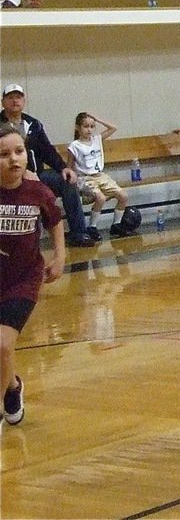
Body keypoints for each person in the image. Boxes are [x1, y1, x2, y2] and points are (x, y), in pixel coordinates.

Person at [0, 122, 65, 427]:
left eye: (19, 151)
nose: (13, 159)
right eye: (4, 154)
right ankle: (12, 386)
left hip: (24, 279)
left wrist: (60, 255)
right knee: (2, 350)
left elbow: (54, 221)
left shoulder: (37, 191)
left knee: (1, 344)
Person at [1, 83, 93, 247]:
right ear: (3, 102)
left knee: (67, 182)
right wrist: (23, 174)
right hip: (9, 179)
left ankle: (79, 233)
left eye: (18, 97)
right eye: (10, 97)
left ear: (23, 101)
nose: (15, 101)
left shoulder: (33, 124)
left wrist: (64, 167)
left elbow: (47, 150)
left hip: (39, 175)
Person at [67, 113, 137, 238]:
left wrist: (97, 118)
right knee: (101, 198)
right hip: (85, 177)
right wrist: (72, 182)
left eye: (92, 126)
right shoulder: (74, 146)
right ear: (78, 128)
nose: (89, 129)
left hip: (100, 175)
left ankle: (116, 225)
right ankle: (92, 227)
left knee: (123, 195)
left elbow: (113, 128)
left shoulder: (96, 139)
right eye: (86, 126)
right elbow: (69, 166)